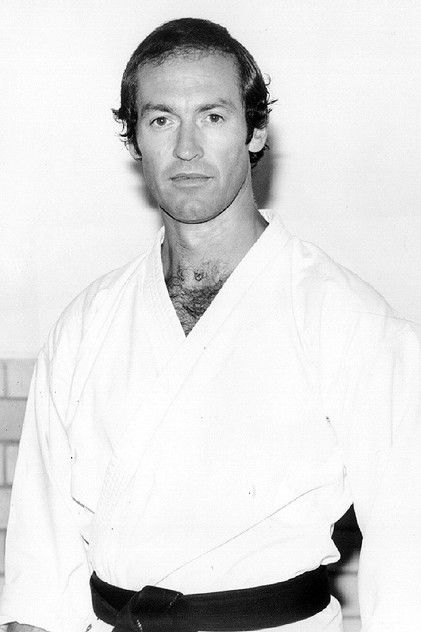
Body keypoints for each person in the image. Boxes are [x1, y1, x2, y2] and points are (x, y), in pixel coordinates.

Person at [0, 17, 420, 632]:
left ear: (255, 131)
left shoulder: (348, 319)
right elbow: (40, 567)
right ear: (134, 139)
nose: (186, 148)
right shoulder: (86, 323)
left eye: (214, 116)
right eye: (161, 119)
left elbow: (410, 554)